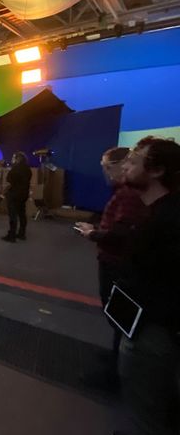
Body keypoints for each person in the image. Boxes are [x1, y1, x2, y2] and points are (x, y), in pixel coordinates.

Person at [110, 137, 180, 435]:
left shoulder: (169, 219)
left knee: (147, 409)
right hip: (145, 322)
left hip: (153, 329)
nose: (126, 164)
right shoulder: (156, 212)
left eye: (135, 160)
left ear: (157, 171)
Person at [75, 147, 147, 388]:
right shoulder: (124, 193)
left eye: (108, 167)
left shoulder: (127, 195)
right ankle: (115, 358)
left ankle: (115, 374)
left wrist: (93, 233)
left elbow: (122, 233)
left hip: (116, 264)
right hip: (113, 261)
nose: (106, 173)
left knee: (118, 316)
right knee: (114, 315)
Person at [1, 151, 31, 242]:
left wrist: (2, 192)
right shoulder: (28, 169)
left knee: (13, 215)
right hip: (24, 194)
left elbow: (9, 183)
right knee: (22, 214)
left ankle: (12, 235)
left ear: (17, 158)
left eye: (14, 157)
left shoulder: (14, 169)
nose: (12, 159)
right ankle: (22, 234)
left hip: (14, 195)